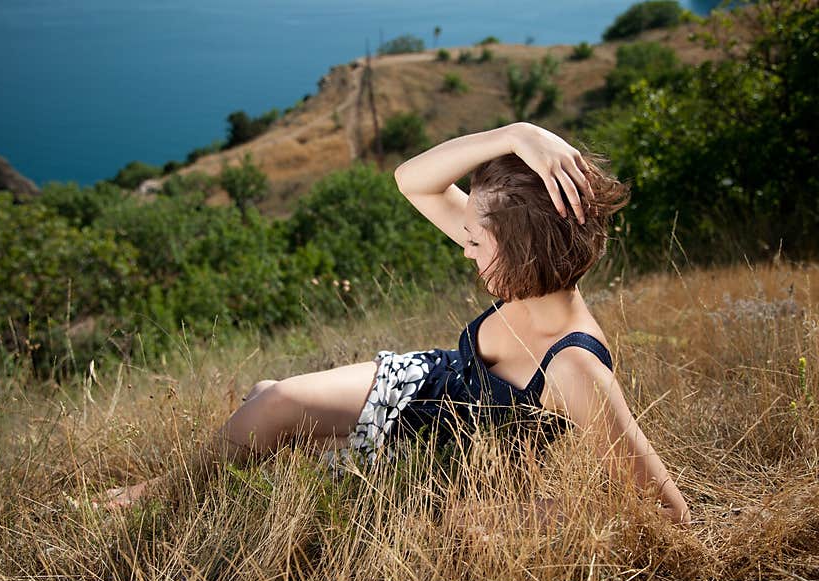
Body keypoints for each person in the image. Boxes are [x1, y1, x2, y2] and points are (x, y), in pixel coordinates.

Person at [94, 121, 691, 527]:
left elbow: (668, 510)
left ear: (520, 248)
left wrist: (535, 513)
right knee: (268, 404)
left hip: (440, 454)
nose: (465, 249)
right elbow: (412, 179)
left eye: (476, 241)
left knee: (270, 412)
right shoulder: (526, 270)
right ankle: (168, 496)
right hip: (420, 383)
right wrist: (515, 135)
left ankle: (170, 496)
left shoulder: (576, 365)